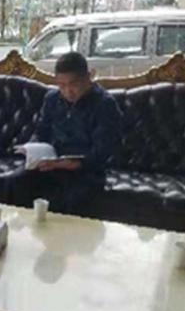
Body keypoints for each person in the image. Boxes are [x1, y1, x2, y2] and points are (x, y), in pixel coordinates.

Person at [13, 52, 123, 214]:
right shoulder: (52, 99)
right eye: (61, 85)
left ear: (88, 77)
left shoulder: (105, 104)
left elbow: (102, 152)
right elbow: (41, 132)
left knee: (70, 200)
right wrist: (31, 150)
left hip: (86, 171)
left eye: (73, 84)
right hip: (51, 164)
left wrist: (72, 163)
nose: (67, 91)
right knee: (16, 182)